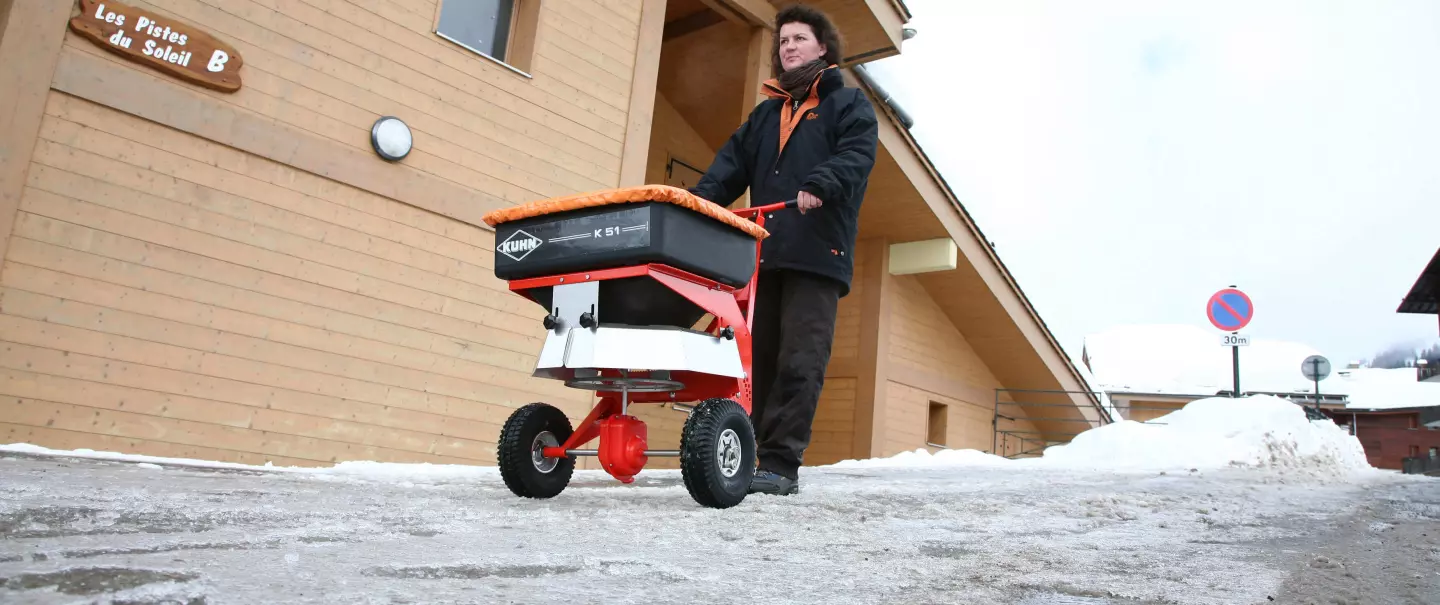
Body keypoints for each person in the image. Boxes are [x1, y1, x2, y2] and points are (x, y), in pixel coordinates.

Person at [688, 5, 878, 496]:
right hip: (763, 255)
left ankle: (779, 464)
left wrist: (821, 182)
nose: (788, 46)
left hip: (817, 254)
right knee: (758, 362)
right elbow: (729, 166)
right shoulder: (767, 113)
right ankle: (746, 459)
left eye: (798, 38)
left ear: (822, 47)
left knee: (800, 359)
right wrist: (697, 206)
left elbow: (856, 155)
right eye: (783, 40)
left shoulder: (847, 105)